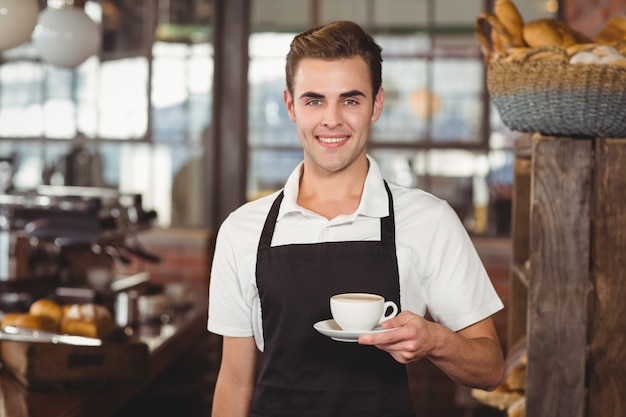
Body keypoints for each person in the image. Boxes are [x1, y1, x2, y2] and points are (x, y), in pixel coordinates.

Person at [208, 20, 505, 417]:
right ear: (291, 105)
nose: (332, 119)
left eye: (350, 100)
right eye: (314, 100)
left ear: (376, 105)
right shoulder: (242, 230)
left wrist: (435, 341)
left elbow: (491, 368)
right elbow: (235, 380)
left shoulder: (428, 220)